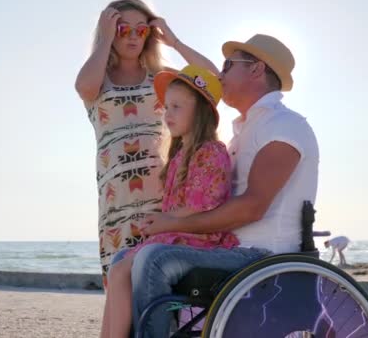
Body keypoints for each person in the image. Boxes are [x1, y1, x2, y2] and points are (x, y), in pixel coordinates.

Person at [126, 34, 320, 336]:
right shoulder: (245, 131)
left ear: (256, 69)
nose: (220, 73)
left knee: (155, 258)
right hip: (230, 248)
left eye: (228, 65)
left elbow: (252, 207)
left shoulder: (283, 125)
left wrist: (172, 224)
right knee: (130, 257)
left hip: (264, 255)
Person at [74, 0, 218, 287]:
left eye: (141, 30)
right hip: (118, 199)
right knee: (120, 285)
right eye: (122, 28)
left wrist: (174, 41)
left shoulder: (161, 78)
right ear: (110, 31)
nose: (132, 36)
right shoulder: (99, 79)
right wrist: (104, 37)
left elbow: (212, 79)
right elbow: (84, 86)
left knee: (159, 285)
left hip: (164, 194)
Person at [101, 66, 237, 338]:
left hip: (199, 237)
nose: (167, 114)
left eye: (176, 107)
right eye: (166, 107)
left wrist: (164, 223)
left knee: (120, 271)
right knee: (118, 265)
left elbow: (203, 205)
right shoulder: (179, 156)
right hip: (179, 233)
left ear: (200, 112)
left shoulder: (210, 152)